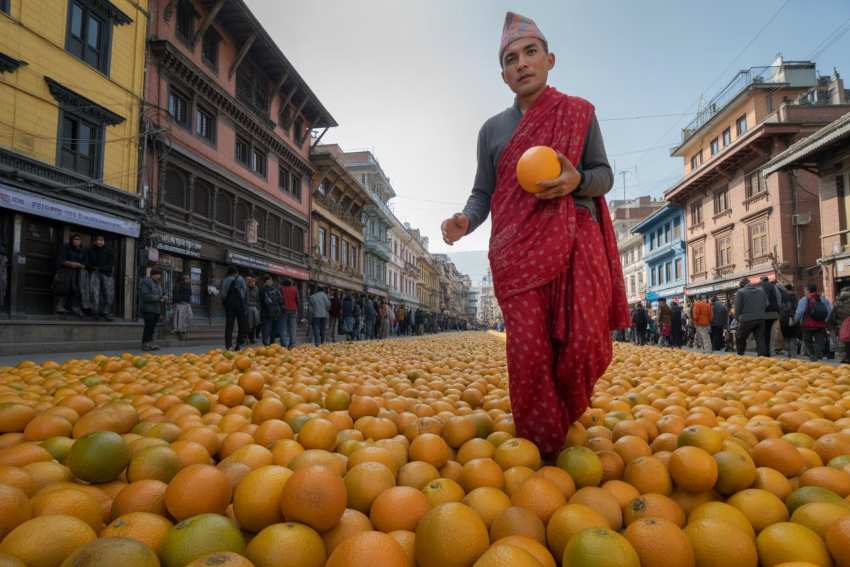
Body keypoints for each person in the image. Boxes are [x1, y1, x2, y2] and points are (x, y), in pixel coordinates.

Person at [439, 13, 627, 454]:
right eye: (511, 59)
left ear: (549, 60)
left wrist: (576, 181)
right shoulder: (492, 130)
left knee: (583, 344)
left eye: (530, 53)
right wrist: (465, 220)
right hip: (516, 251)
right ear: (503, 75)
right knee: (528, 354)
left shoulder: (579, 113)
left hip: (577, 240)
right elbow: (483, 193)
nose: (521, 63)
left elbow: (603, 175)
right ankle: (541, 449)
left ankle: (563, 413)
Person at [795, 283, 832, 362]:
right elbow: (829, 310)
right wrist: (825, 320)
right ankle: (818, 355)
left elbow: (800, 312)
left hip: (807, 324)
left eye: (805, 290)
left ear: (808, 290)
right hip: (820, 324)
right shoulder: (823, 299)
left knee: (807, 340)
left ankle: (812, 355)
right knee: (820, 340)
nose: (804, 291)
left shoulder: (804, 299)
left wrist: (796, 320)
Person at [55, 234, 89, 316]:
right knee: (65, 288)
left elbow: (85, 263)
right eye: (75, 239)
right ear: (71, 240)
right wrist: (69, 263)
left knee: (76, 289)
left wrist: (79, 265)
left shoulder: (83, 250)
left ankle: (75, 307)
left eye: (78, 239)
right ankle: (60, 306)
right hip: (65, 271)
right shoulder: (66, 247)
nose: (76, 241)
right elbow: (61, 259)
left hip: (78, 272)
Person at [734, 278, 768, 356]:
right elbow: (767, 304)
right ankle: (762, 356)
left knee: (740, 337)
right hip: (760, 318)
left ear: (742, 285)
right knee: (760, 339)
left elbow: (738, 308)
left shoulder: (740, 292)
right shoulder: (761, 290)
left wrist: (737, 318)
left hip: (746, 319)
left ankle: (740, 354)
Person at [87, 235, 115, 320]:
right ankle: (95, 312)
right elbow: (87, 262)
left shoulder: (109, 250)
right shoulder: (91, 250)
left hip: (107, 274)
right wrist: (92, 268)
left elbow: (111, 264)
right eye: (98, 240)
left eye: (101, 240)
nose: (100, 241)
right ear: (95, 241)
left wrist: (101, 268)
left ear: (104, 241)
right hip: (95, 273)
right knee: (94, 293)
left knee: (108, 294)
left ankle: (106, 312)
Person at [221, 266, 248, 351]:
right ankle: (239, 344)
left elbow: (223, 294)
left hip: (229, 305)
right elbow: (245, 291)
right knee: (241, 325)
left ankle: (228, 346)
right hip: (239, 305)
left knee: (229, 325)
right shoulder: (240, 279)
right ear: (236, 272)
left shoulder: (225, 280)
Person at [140, 268, 165, 351]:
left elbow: (162, 294)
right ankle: (145, 343)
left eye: (160, 275)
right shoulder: (146, 282)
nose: (159, 276)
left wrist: (164, 297)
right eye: (158, 275)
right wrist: (159, 298)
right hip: (148, 309)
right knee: (148, 326)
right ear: (153, 275)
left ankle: (151, 343)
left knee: (153, 327)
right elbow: (145, 296)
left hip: (156, 309)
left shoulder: (158, 284)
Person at [760, 277, 782, 357]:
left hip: (764, 313)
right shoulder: (774, 287)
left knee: (763, 333)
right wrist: (778, 309)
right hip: (773, 313)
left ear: (762, 281)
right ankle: (769, 350)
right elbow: (779, 299)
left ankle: (765, 351)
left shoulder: (760, 287)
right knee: (769, 332)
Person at [260, 276, 284, 346]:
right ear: (266, 281)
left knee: (272, 330)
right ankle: (267, 344)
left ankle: (271, 344)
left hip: (274, 313)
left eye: (271, 280)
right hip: (267, 313)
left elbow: (280, 300)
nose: (271, 282)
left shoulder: (275, 289)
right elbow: (262, 302)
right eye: (269, 280)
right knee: (267, 329)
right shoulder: (263, 290)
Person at [830, 287, 850, 363]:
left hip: (842, 326)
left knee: (844, 344)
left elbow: (832, 316)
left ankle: (846, 359)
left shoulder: (838, 302)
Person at [779, 284, 800, 358]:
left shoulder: (783, 297)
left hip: (784, 320)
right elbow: (797, 309)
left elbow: (782, 308)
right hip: (793, 319)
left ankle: (788, 353)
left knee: (786, 337)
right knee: (793, 337)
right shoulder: (795, 297)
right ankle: (793, 355)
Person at [172, 273, 193, 340]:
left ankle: (184, 329)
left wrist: (189, 302)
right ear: (183, 279)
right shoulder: (178, 285)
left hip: (187, 304)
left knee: (190, 316)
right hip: (180, 304)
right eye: (187, 278)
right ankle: (181, 332)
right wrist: (179, 301)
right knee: (180, 318)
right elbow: (175, 295)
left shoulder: (188, 286)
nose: (189, 279)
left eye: (189, 278)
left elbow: (190, 294)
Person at [280, 278, 299, 349]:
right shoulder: (295, 289)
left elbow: (279, 299)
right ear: (290, 284)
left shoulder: (281, 288)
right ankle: (292, 344)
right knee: (292, 327)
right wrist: (297, 308)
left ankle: (284, 344)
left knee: (283, 327)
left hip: (284, 310)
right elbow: (297, 299)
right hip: (293, 309)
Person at [245, 276, 261, 344]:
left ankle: (252, 338)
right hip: (248, 308)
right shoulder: (246, 288)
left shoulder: (256, 288)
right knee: (248, 324)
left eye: (254, 282)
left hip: (254, 308)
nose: (253, 283)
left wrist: (257, 306)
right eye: (251, 282)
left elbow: (257, 298)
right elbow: (246, 300)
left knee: (254, 324)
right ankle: (247, 338)